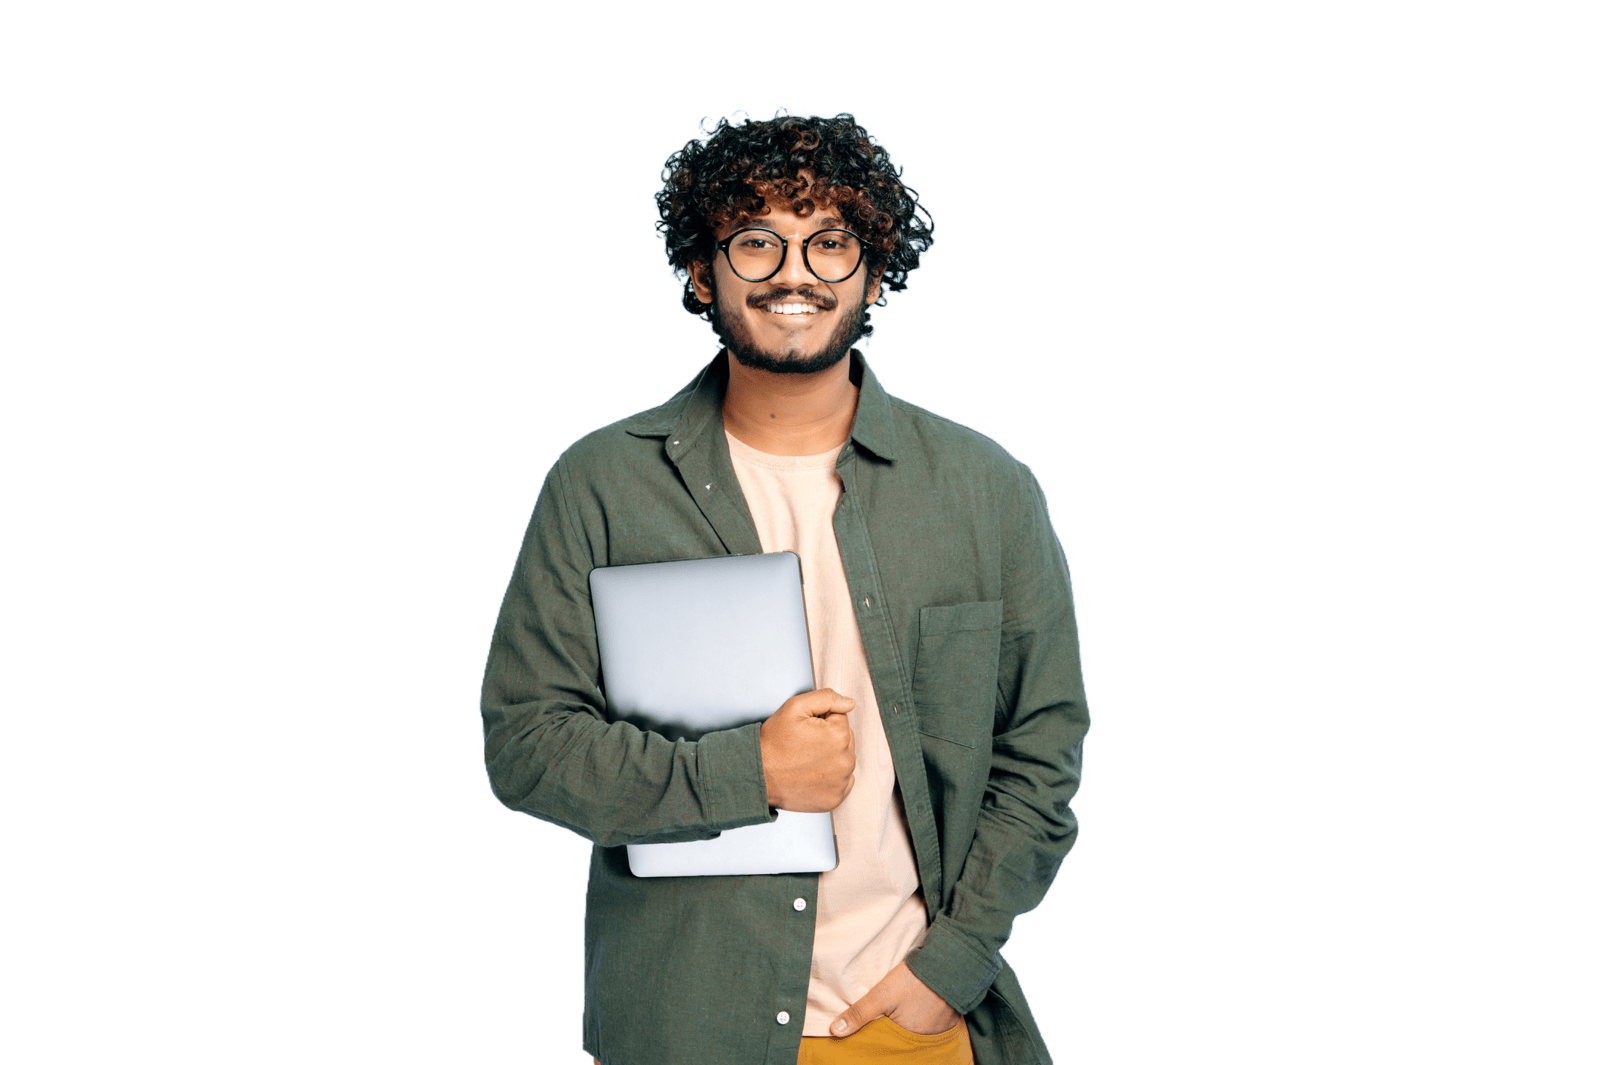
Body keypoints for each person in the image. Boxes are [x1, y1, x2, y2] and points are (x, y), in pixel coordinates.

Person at [480, 105, 1090, 1065]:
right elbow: (526, 746)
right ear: (700, 268)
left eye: (830, 242)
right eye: (756, 241)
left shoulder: (988, 490)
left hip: (908, 1024)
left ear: (874, 272)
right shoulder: (602, 483)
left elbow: (1042, 753)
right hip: (686, 1025)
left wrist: (952, 967)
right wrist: (747, 772)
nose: (795, 272)